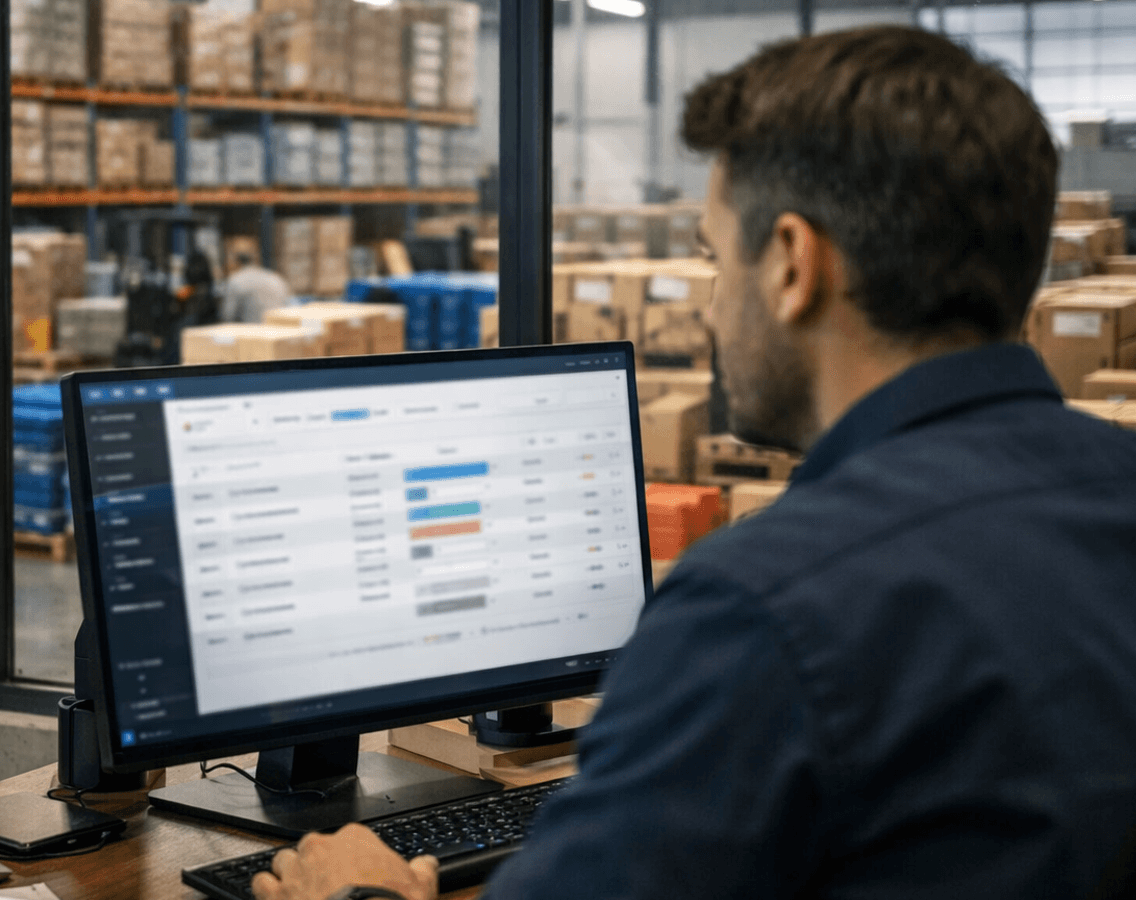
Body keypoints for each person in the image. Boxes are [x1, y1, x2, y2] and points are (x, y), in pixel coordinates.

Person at [253, 26, 1136, 900]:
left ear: (793, 263)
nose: (712, 309)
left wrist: (366, 895)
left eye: (715, 258)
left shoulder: (769, 606)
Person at [220, 252, 293, 323]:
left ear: (237, 263)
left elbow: (228, 315)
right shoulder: (275, 277)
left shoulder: (235, 280)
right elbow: (289, 305)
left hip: (252, 331)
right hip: (279, 330)